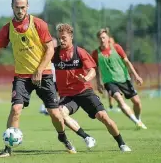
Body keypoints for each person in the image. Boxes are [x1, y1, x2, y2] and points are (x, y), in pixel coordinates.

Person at [0, 0, 76, 157]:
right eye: (17, 7)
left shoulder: (38, 24)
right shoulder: (7, 29)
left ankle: (63, 137)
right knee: (16, 109)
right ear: (12, 7)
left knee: (55, 114)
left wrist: (39, 69)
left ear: (27, 7)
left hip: (43, 75)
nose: (20, 10)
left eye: (23, 7)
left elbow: (50, 49)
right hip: (22, 77)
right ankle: (8, 148)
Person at [52, 23, 131, 152]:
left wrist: (87, 78)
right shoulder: (54, 53)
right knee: (60, 113)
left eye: (64, 38)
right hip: (67, 95)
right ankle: (87, 137)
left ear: (71, 37)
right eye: (59, 38)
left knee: (103, 117)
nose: (61, 41)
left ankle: (122, 143)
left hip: (84, 91)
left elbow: (92, 70)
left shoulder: (80, 52)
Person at [92, 27, 147, 129]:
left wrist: (136, 76)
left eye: (104, 37)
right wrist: (98, 83)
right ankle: (137, 122)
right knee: (119, 99)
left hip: (124, 79)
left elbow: (127, 62)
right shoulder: (95, 53)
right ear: (98, 40)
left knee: (137, 102)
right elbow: (96, 69)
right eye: (100, 38)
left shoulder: (117, 48)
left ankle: (138, 118)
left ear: (108, 38)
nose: (102, 40)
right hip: (109, 82)